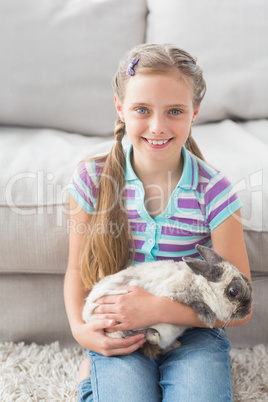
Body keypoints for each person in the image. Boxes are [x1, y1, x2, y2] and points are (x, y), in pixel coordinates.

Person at [64, 43, 252, 402]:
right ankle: (91, 374)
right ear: (120, 109)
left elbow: (239, 308)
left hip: (195, 329)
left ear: (195, 112)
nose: (157, 126)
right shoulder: (92, 179)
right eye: (141, 110)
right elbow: (75, 270)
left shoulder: (214, 191)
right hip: (123, 325)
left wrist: (158, 309)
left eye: (175, 111)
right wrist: (81, 332)